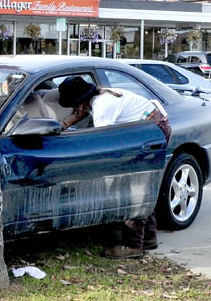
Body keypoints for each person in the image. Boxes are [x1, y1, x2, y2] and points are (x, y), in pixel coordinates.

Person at [58, 76, 171, 260]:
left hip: (150, 132)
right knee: (143, 185)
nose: (73, 110)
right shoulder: (101, 97)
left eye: (73, 105)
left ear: (80, 102)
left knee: (135, 188)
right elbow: (80, 116)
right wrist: (62, 125)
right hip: (151, 129)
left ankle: (132, 245)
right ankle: (149, 238)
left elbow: (103, 143)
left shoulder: (103, 105)